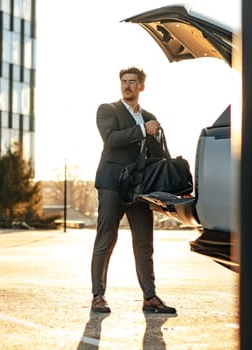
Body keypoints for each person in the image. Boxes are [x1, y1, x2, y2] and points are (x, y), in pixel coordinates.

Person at [91, 67, 177, 315]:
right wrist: (142, 131)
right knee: (106, 239)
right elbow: (111, 139)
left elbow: (155, 157)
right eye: (124, 82)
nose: (127, 85)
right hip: (112, 184)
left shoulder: (149, 116)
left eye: (133, 82)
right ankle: (98, 296)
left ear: (141, 87)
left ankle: (150, 298)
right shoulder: (107, 110)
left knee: (144, 242)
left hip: (140, 189)